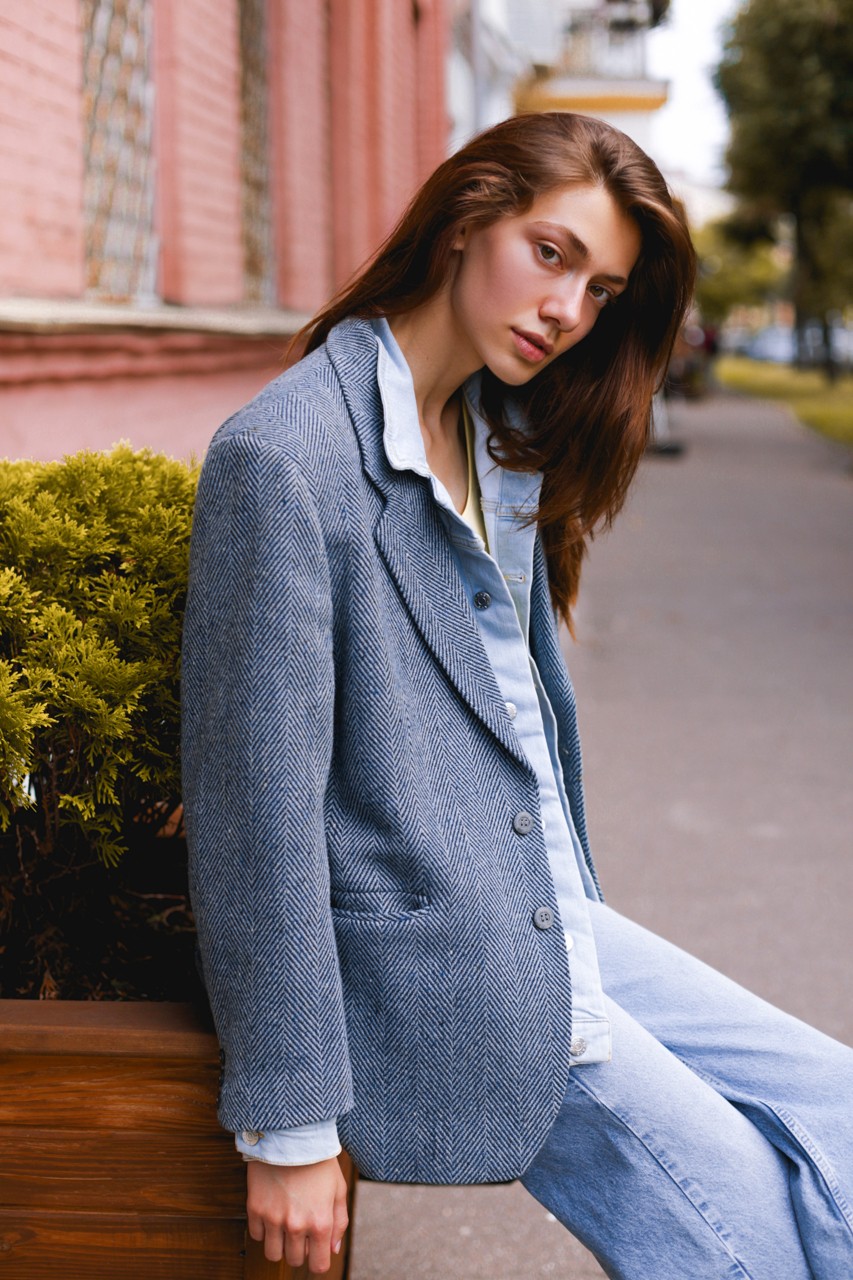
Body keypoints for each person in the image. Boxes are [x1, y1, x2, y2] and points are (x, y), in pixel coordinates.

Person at [181, 113, 853, 1279]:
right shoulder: (286, 458)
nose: (567, 311)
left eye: (600, 290)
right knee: (752, 1235)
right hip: (448, 959)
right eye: (550, 255)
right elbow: (255, 816)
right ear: (465, 218)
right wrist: (288, 1123)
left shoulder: (497, 433)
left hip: (550, 909)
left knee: (838, 1111)